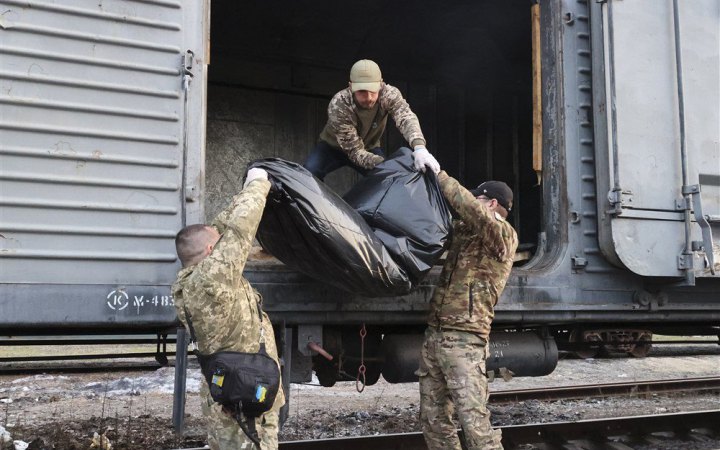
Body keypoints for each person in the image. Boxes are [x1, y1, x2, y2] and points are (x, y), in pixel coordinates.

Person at [172, 167, 284, 450]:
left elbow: (222, 227)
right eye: (218, 244)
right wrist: (258, 185)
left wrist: (244, 188)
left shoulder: (200, 277)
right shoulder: (210, 279)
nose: (223, 242)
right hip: (241, 398)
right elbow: (240, 228)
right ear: (211, 254)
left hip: (248, 387)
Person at [418, 174, 518, 450]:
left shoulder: (504, 235)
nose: (473, 201)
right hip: (436, 334)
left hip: (465, 339)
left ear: (492, 204)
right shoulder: (465, 232)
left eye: (479, 197)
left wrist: (440, 176)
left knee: (474, 423)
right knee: (433, 419)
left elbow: (473, 211)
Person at [303, 59, 440, 180]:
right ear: (351, 86)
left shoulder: (389, 95)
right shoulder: (339, 104)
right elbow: (355, 152)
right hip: (333, 148)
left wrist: (420, 148)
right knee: (309, 172)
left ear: (380, 84)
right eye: (362, 91)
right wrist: (390, 164)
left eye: (373, 91)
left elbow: (406, 118)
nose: (368, 98)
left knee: (387, 178)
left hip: (369, 147)